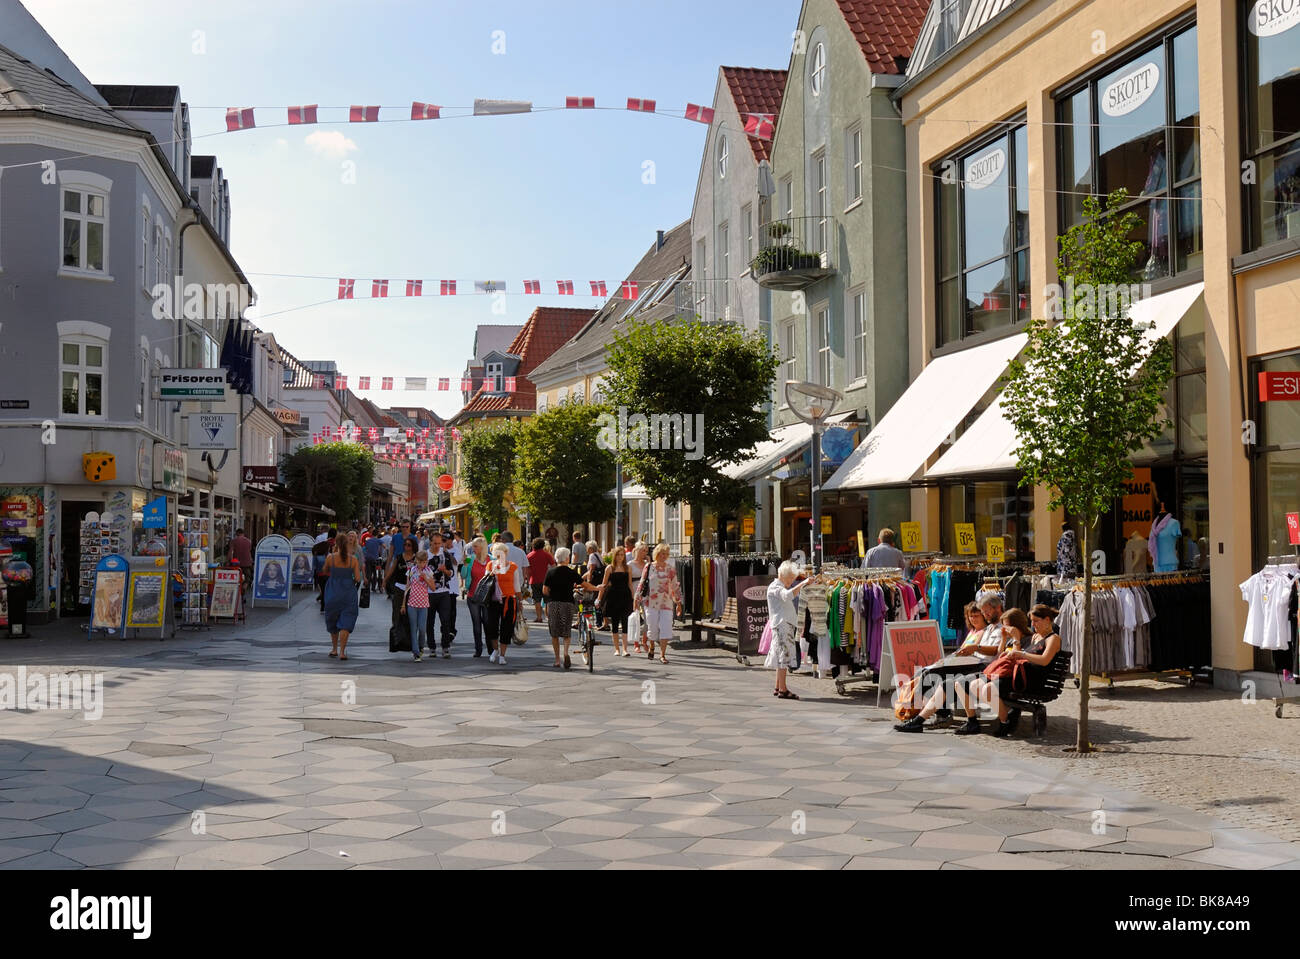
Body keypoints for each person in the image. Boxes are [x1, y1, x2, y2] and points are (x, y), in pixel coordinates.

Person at [963, 606, 1060, 737]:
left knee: (988, 689)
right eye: (1031, 621)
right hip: (1019, 675)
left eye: (1036, 621)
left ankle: (1005, 722)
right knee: (975, 685)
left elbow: (1044, 660)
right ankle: (1007, 717)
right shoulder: (1035, 636)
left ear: (1047, 620)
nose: (1033, 625)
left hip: (1033, 681)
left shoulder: (1053, 639)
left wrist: (1022, 654)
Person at [635, 543, 683, 664]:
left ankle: (662, 654)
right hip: (651, 602)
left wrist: (678, 603)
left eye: (666, 554)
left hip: (666, 602)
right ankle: (652, 645)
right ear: (657, 553)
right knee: (653, 628)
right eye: (662, 553)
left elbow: (675, 586)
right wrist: (636, 598)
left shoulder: (670, 568)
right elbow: (642, 583)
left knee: (666, 627)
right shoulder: (649, 566)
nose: (664, 556)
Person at [767, 561, 809, 700]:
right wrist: (803, 583)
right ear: (783, 576)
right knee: (783, 657)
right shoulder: (776, 587)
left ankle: (778, 686)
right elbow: (787, 595)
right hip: (782, 625)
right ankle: (783, 689)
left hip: (784, 624)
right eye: (790, 578)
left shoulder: (777, 586)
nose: (791, 581)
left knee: (781, 656)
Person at [323, 535, 362, 661]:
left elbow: (324, 571)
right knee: (346, 621)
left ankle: (334, 649)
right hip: (348, 592)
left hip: (333, 591)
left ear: (336, 544)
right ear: (346, 544)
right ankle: (342, 652)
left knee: (332, 619)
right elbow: (357, 578)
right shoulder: (353, 560)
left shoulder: (330, 558)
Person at [485, 542, 519, 666]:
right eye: (498, 554)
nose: (500, 556)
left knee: (507, 627)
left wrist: (519, 601)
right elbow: (486, 582)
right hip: (494, 600)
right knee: (492, 626)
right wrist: (493, 571)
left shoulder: (513, 566)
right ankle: (495, 650)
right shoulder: (490, 565)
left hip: (509, 600)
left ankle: (502, 655)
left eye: (503, 553)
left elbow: (517, 585)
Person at [426, 530, 458, 658]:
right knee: (429, 621)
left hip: (444, 592)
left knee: (445, 620)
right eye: (435, 543)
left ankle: (445, 647)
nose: (437, 546)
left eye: (439, 543)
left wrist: (445, 570)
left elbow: (452, 573)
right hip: (428, 593)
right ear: (430, 543)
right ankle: (431, 647)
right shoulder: (425, 555)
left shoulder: (445, 555)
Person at [401, 550, 438, 662]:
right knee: (413, 628)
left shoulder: (428, 571)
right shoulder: (411, 570)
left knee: (422, 629)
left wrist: (425, 578)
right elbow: (407, 587)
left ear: (426, 561)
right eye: (419, 562)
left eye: (424, 562)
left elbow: (433, 588)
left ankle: (421, 647)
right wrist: (403, 604)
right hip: (412, 603)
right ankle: (416, 652)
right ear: (416, 561)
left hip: (423, 604)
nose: (421, 564)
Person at [465, 537, 491, 657]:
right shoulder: (471, 559)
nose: (473, 549)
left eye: (475, 546)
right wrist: (465, 565)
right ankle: (478, 649)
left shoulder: (491, 559)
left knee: (487, 622)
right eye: (473, 546)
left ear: (482, 547)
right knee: (476, 623)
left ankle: (491, 648)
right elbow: (465, 575)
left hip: (486, 597)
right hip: (473, 596)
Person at [385, 537, 417, 634]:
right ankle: (396, 631)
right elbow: (392, 569)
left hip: (412, 589)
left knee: (410, 612)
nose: (406, 547)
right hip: (399, 586)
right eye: (405, 545)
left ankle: (409, 633)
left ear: (413, 546)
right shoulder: (399, 557)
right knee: (396, 610)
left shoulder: (417, 558)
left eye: (409, 545)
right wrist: (385, 580)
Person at [627, 541, 650, 653]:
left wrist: (649, 562)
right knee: (636, 619)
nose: (644, 553)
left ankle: (644, 641)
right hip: (635, 592)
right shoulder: (630, 564)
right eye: (643, 550)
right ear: (637, 551)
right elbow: (629, 582)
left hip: (646, 594)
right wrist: (633, 596)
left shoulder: (647, 563)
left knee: (647, 619)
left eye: (646, 551)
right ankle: (636, 644)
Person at [526, 538, 555, 623]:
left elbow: (528, 570)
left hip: (534, 580)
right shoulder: (547, 555)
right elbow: (553, 566)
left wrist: (528, 579)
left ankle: (539, 617)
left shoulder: (529, 556)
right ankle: (549, 617)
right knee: (548, 600)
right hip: (546, 581)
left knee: (537, 600)